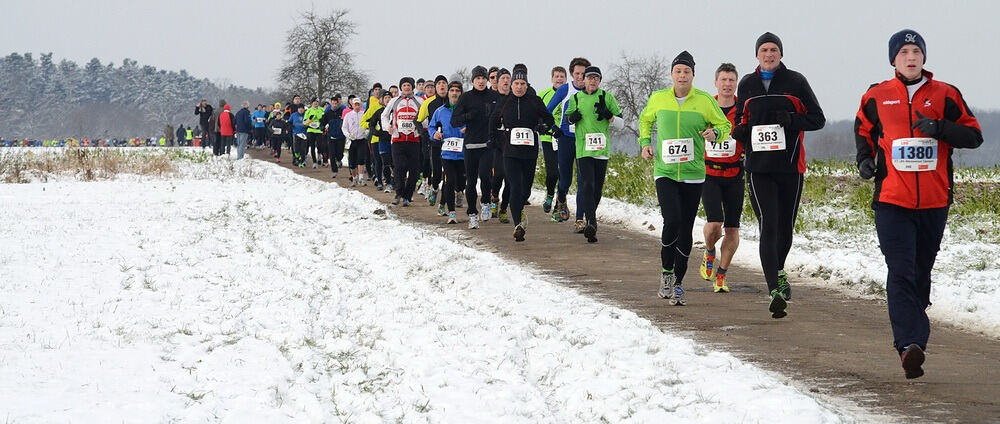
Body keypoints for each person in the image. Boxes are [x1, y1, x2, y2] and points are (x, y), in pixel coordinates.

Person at [855, 29, 983, 379]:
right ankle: (910, 345)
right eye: (904, 52)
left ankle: (913, 329)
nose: (911, 57)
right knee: (900, 269)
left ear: (924, 57)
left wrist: (939, 128)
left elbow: (974, 135)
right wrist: (864, 160)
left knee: (920, 270)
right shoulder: (877, 95)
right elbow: (863, 130)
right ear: (893, 59)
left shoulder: (946, 94)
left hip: (934, 201)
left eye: (916, 51)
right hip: (892, 200)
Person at [731, 32, 826, 318]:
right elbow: (738, 122)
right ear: (757, 55)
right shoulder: (747, 84)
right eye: (764, 50)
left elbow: (817, 119)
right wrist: (741, 132)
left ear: (781, 54)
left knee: (785, 227)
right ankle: (773, 288)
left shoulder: (796, 82)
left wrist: (792, 120)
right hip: (759, 168)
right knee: (768, 225)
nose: (769, 54)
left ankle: (780, 270)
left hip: (789, 166)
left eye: (774, 50)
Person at [639, 51, 731, 306]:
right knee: (673, 220)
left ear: (693, 75)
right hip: (665, 171)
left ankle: (679, 283)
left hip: (693, 174)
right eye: (678, 71)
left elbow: (725, 126)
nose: (682, 75)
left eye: (687, 72)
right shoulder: (659, 98)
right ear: (672, 75)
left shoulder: (703, 101)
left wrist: (715, 134)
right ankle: (666, 273)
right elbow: (645, 120)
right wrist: (645, 143)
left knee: (686, 226)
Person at [490, 67, 555, 241]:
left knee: (525, 190)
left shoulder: (534, 101)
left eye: (522, 84)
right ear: (511, 85)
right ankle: (518, 225)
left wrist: (543, 127)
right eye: (516, 83)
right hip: (510, 152)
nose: (519, 87)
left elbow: (548, 119)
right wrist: (495, 139)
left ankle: (520, 212)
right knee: (515, 186)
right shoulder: (504, 102)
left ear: (527, 85)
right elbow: (493, 121)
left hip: (529, 152)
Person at [566, 66, 624, 243]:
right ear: (583, 80)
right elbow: (568, 123)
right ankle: (591, 223)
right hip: (583, 150)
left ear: (599, 81)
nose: (592, 81)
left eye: (596, 78)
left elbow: (621, 124)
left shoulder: (607, 97)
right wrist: (572, 119)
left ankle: (591, 218)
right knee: (587, 184)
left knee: (597, 189)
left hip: (601, 150)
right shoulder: (575, 98)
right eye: (589, 77)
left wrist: (609, 116)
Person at [700, 63, 744, 293]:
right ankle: (709, 251)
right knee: (714, 223)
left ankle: (722, 274)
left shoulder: (743, 110)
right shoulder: (707, 108)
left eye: (731, 80)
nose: (727, 84)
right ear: (716, 82)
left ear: (736, 83)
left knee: (732, 229)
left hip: (735, 173)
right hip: (709, 173)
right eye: (723, 80)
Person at [452, 65, 499, 229]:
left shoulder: (494, 96)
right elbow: (454, 120)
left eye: (483, 78)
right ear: (473, 81)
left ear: (487, 80)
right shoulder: (466, 98)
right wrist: (468, 117)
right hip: (471, 145)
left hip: (487, 144)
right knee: (470, 182)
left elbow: (502, 117)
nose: (481, 81)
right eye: (477, 78)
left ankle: (485, 202)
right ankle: (472, 213)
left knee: (485, 176)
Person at [547, 57, 591, 228]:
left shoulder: (592, 92)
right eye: (577, 73)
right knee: (565, 180)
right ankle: (561, 198)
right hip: (566, 139)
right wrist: (553, 128)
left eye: (583, 74)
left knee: (583, 181)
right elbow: (547, 111)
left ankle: (580, 219)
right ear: (572, 74)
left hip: (584, 141)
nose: (580, 77)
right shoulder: (565, 89)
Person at [381, 77, 424, 206]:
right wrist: (387, 127)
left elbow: (425, 116)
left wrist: (422, 127)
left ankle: (408, 195)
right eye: (404, 85)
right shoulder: (394, 101)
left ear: (412, 87)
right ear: (401, 87)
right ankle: (399, 192)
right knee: (399, 167)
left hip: (414, 140)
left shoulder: (419, 101)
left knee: (414, 170)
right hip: (397, 139)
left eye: (409, 85)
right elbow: (384, 115)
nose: (407, 88)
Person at [430, 80, 467, 224]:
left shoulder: (465, 110)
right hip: (447, 152)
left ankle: (457, 194)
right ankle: (451, 212)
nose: (454, 93)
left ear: (461, 94)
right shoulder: (440, 111)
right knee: (449, 181)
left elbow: (475, 125)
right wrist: (435, 134)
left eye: (457, 91)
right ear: (448, 93)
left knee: (460, 183)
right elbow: (432, 127)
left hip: (463, 153)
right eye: (452, 91)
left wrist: (468, 130)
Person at [417, 75, 449, 209]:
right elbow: (418, 120)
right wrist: (425, 133)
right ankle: (434, 189)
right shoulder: (429, 103)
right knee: (436, 173)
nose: (442, 86)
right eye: (439, 83)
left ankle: (443, 203)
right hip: (435, 143)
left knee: (448, 175)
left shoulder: (453, 102)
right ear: (436, 87)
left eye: (444, 83)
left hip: (450, 144)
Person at [538, 66, 566, 213]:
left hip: (565, 139)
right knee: (553, 173)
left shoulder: (570, 94)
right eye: (557, 76)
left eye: (562, 76)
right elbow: (539, 115)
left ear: (566, 79)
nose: (559, 79)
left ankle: (559, 204)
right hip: (548, 138)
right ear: (552, 79)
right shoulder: (544, 94)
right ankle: (549, 193)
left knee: (564, 174)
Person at [490, 68, 513, 223]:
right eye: (502, 78)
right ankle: (494, 197)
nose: (505, 81)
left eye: (507, 78)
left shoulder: (515, 98)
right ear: (497, 82)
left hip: (512, 144)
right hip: (496, 144)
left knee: (510, 178)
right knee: (498, 176)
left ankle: (504, 208)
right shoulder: (491, 98)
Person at [368, 91, 395, 192]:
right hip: (383, 140)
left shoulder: (396, 111)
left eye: (389, 97)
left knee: (394, 162)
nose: (388, 99)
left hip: (394, 140)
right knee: (384, 162)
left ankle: (394, 182)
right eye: (386, 98)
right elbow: (371, 124)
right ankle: (383, 182)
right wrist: (376, 133)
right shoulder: (379, 112)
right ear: (382, 100)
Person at [342, 97, 369, 185]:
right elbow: (344, 127)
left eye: (358, 105)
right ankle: (354, 178)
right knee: (352, 162)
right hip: (352, 141)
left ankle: (361, 177)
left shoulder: (364, 114)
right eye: (355, 105)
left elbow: (367, 124)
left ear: (360, 105)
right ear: (352, 105)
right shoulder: (348, 115)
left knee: (361, 159)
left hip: (362, 139)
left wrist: (366, 132)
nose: (357, 106)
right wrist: (348, 135)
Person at [324, 95, 347, 175]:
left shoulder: (342, 111)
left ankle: (339, 159)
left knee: (339, 153)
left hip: (341, 136)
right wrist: (323, 127)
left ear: (338, 103)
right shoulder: (327, 113)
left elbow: (346, 122)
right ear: (331, 103)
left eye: (335, 103)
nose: (334, 105)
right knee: (332, 154)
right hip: (331, 136)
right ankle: (334, 170)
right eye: (332, 103)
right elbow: (323, 122)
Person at [304, 98, 325, 168]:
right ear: (312, 103)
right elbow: (304, 123)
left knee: (320, 145)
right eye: (314, 102)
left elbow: (325, 119)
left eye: (317, 102)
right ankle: (314, 162)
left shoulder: (322, 109)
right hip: (310, 130)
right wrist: (310, 119)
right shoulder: (308, 111)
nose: (316, 103)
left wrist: (321, 120)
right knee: (312, 146)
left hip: (319, 130)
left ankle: (319, 154)